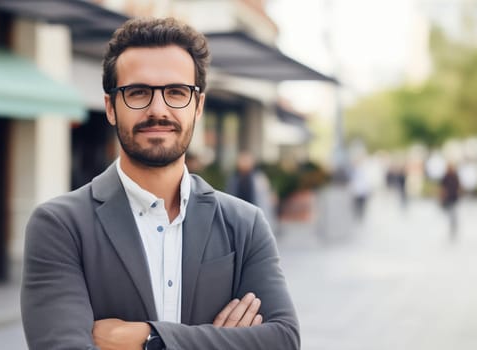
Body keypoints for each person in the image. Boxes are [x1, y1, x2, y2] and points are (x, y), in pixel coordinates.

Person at [21, 17, 299, 350]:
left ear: (198, 106)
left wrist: (150, 339)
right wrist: (225, 341)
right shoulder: (60, 226)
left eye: (176, 92)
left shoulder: (244, 223)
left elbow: (282, 340)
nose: (158, 109)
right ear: (110, 107)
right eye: (137, 92)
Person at [226, 151, 276, 230]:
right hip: (238, 217)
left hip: (255, 216)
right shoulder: (234, 179)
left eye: (246, 161)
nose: (244, 163)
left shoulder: (259, 178)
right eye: (242, 160)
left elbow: (265, 200)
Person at [439, 163, 461, 239]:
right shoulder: (446, 177)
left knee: (453, 212)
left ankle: (453, 225)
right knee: (450, 212)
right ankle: (452, 224)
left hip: (453, 197)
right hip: (448, 198)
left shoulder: (455, 176)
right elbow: (442, 187)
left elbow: (458, 186)